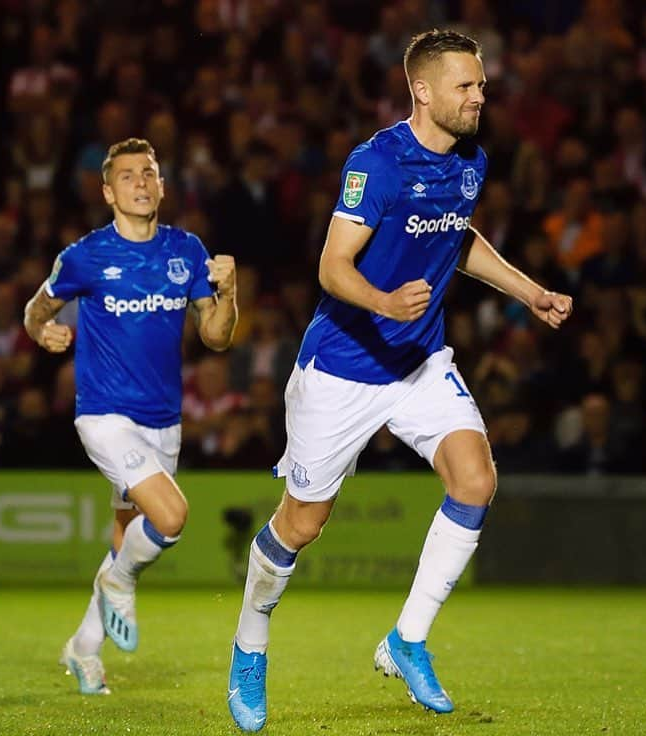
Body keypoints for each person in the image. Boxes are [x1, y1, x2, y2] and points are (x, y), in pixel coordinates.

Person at [227, 30, 574, 731]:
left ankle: (406, 639)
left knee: (474, 480)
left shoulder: (470, 159)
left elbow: (459, 237)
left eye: (480, 84)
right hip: (342, 368)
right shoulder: (376, 163)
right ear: (422, 90)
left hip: (418, 362)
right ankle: (248, 648)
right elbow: (331, 267)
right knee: (301, 523)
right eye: (466, 86)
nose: (480, 96)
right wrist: (383, 302)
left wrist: (529, 291)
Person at [23, 137, 237, 694]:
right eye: (127, 175)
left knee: (127, 535)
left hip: (164, 420)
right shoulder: (85, 257)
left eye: (149, 173)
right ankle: (117, 583)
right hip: (103, 415)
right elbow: (35, 309)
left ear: (163, 185)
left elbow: (215, 338)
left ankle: (84, 648)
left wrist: (229, 292)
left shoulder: (187, 250)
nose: (140, 182)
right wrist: (39, 332)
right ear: (107, 191)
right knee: (169, 518)